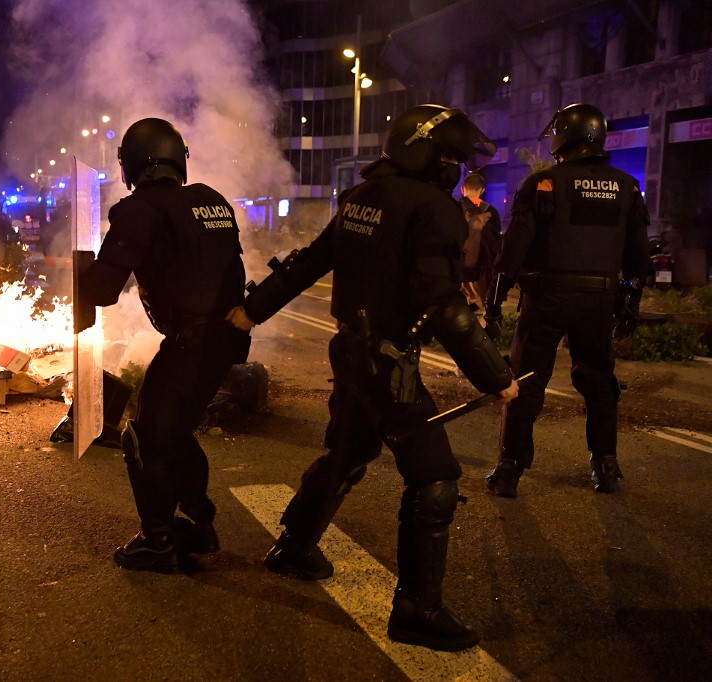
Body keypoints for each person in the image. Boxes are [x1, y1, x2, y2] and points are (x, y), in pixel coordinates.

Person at [226, 104, 518, 652]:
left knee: (350, 450)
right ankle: (416, 610)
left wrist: (252, 310)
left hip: (351, 352)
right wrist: (495, 375)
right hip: (388, 361)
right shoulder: (434, 209)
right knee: (434, 479)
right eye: (449, 155)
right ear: (423, 150)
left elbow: (309, 261)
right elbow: (443, 304)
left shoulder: (362, 198)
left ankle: (294, 548)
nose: (455, 167)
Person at [75, 117, 251, 573]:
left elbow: (102, 290)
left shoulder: (140, 209)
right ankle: (198, 523)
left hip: (190, 344)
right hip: (225, 342)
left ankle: (158, 541)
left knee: (145, 437)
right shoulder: (211, 201)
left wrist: (82, 271)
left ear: (133, 165)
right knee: (174, 431)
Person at [484, 103, 649, 497]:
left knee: (526, 381)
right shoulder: (626, 186)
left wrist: (494, 300)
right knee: (599, 381)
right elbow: (639, 257)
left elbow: (514, 251)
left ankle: (509, 468)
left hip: (547, 298)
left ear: (562, 136)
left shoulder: (545, 183)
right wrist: (631, 301)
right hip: (599, 299)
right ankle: (606, 466)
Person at [458, 172, 502, 310]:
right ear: (482, 190)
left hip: (455, 270)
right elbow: (496, 245)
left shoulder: (453, 208)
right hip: (480, 272)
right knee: (478, 309)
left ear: (462, 189)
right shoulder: (491, 212)